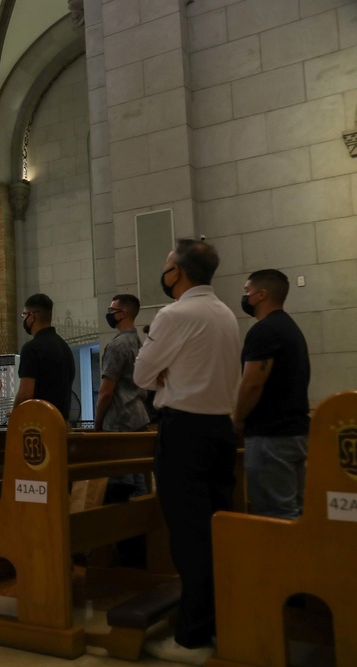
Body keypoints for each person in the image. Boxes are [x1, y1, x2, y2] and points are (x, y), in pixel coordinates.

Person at [133, 239, 239, 663]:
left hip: (185, 432)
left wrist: (165, 378)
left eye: (166, 264)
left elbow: (143, 373)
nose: (164, 272)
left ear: (178, 272)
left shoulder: (175, 314)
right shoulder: (226, 313)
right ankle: (213, 621)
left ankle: (191, 637)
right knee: (214, 528)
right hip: (220, 430)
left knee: (188, 533)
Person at [232, 269, 311, 519]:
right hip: (296, 433)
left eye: (247, 292)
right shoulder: (290, 328)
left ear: (261, 294)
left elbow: (252, 383)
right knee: (298, 512)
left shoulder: (264, 331)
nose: (245, 297)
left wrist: (238, 418)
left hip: (271, 436)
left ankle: (284, 559)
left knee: (276, 516)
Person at [95, 294, 150, 499]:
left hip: (120, 419)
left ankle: (124, 527)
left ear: (123, 312)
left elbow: (106, 390)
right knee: (139, 478)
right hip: (138, 415)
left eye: (111, 310)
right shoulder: (138, 342)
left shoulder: (117, 345)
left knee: (121, 482)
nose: (109, 314)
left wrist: (98, 423)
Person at [14, 293, 75, 422]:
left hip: (39, 425)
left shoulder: (32, 348)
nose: (24, 319)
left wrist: (15, 417)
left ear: (32, 316)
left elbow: (25, 395)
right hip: (62, 423)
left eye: (24, 315)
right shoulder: (65, 347)